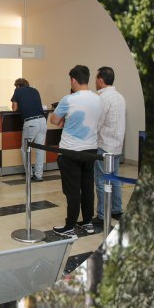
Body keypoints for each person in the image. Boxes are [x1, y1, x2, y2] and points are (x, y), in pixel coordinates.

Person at [49, 65, 103, 237]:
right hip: (91, 149)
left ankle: (70, 226)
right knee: (87, 187)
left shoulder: (68, 99)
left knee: (72, 190)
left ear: (73, 80)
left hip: (70, 151)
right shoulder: (98, 99)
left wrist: (64, 120)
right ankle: (87, 222)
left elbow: (54, 120)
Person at [92, 66, 126, 227]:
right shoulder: (120, 97)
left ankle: (102, 215)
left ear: (100, 80)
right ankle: (117, 210)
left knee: (101, 180)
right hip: (117, 145)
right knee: (115, 179)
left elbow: (98, 122)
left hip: (104, 144)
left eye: (96, 79)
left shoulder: (103, 98)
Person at [11, 77, 47, 182]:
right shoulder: (35, 90)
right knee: (40, 149)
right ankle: (39, 175)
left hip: (31, 123)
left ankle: (29, 174)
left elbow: (14, 108)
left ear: (18, 86)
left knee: (25, 149)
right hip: (42, 121)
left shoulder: (18, 91)